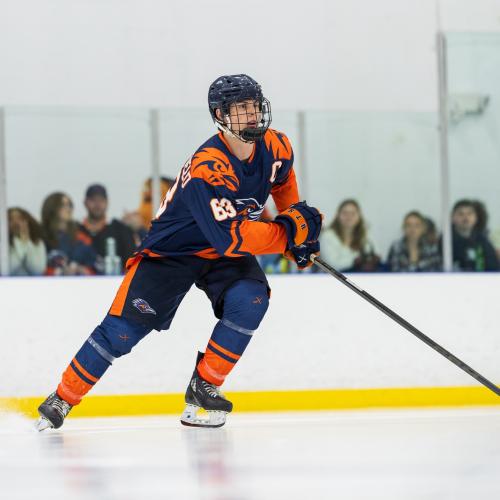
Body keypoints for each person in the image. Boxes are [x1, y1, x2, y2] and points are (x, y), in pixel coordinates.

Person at [36, 74, 323, 430]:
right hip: (172, 253)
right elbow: (232, 238)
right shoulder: (209, 168)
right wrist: (289, 234)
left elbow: (283, 180)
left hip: (221, 251)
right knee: (122, 332)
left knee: (251, 300)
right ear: (220, 115)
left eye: (254, 105)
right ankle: (62, 397)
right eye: (241, 107)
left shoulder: (277, 146)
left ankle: (205, 384)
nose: (252, 113)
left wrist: (295, 227)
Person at [79, 184, 137, 273]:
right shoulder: (76, 230)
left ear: (107, 202)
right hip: (80, 280)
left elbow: (131, 262)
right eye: (93, 200)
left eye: (101, 200)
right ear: (85, 202)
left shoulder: (120, 230)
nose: (97, 205)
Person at [41, 192, 99, 276]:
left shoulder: (81, 235)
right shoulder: (41, 236)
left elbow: (94, 265)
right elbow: (36, 268)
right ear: (51, 208)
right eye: (63, 205)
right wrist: (58, 272)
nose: (68, 209)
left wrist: (82, 270)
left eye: (69, 205)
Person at [319, 199, 379, 272]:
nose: (349, 217)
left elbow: (375, 255)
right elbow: (331, 265)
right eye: (345, 213)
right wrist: (355, 261)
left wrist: (373, 260)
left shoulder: (366, 235)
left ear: (359, 216)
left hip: (363, 276)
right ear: (338, 215)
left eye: (353, 213)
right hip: (333, 277)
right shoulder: (327, 236)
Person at [451, 199, 498, 271]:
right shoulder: (446, 241)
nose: (466, 218)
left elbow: (493, 266)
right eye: (461, 214)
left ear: (476, 218)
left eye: (470, 213)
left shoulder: (482, 240)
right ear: (453, 217)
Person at [8, 207, 47, 276]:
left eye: (20, 218)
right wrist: (21, 243)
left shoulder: (37, 242)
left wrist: (27, 243)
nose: (16, 222)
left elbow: (37, 271)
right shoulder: (3, 245)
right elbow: (7, 270)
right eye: (10, 219)